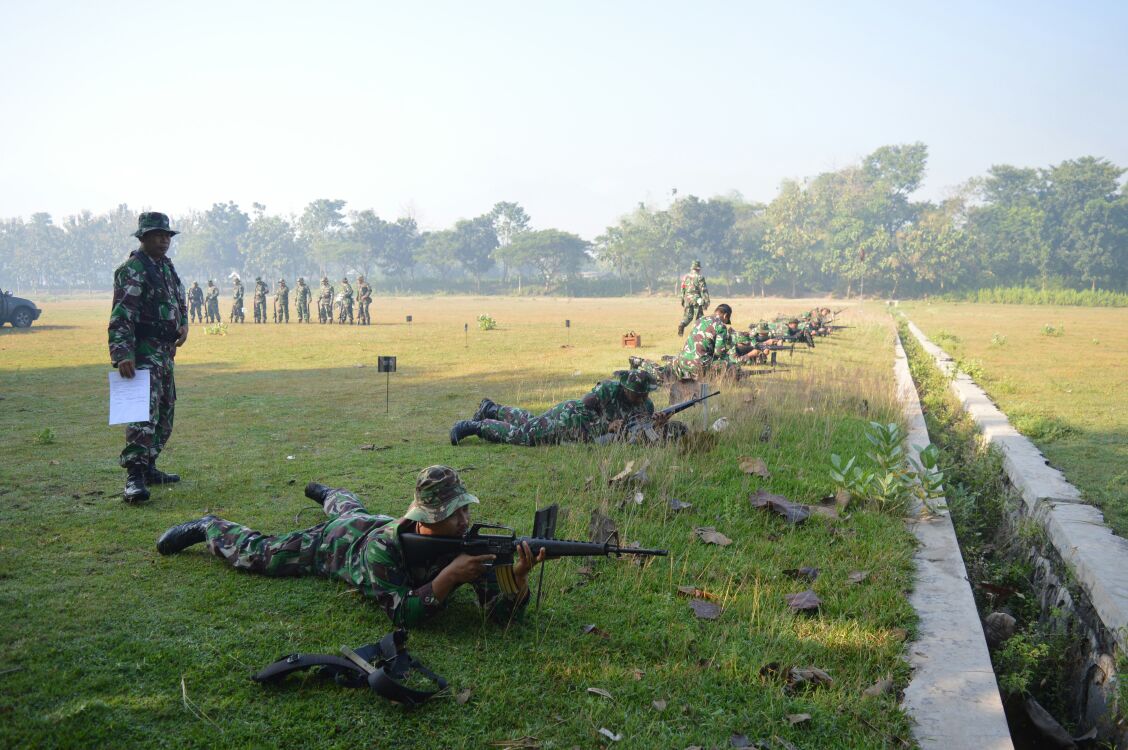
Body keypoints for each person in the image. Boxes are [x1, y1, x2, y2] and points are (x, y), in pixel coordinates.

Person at [155, 466, 546, 626]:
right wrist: (450, 577)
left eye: (464, 508)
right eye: (453, 512)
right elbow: (401, 612)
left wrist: (518, 577)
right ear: (426, 517)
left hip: (369, 519)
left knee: (349, 508)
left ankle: (329, 493)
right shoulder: (383, 550)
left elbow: (500, 614)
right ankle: (210, 527)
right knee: (262, 554)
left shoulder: (464, 541)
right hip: (338, 545)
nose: (464, 519)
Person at [108, 212, 188, 504]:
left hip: (165, 354)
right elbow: (121, 316)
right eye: (157, 235)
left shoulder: (166, 267)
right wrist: (121, 354)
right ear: (142, 237)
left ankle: (150, 465)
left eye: (167, 235)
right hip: (142, 353)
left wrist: (184, 326)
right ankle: (135, 476)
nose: (164, 240)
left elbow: (180, 301)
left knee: (165, 412)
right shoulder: (133, 269)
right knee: (141, 414)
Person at [451, 370, 665, 446]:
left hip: (582, 433)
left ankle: (491, 409)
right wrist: (607, 426)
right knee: (524, 436)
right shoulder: (607, 391)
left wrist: (656, 425)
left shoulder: (646, 405)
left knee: (530, 422)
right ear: (625, 389)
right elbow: (582, 410)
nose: (641, 398)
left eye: (645, 394)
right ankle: (476, 427)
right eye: (637, 394)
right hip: (569, 418)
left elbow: (638, 432)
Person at [672, 303, 742, 379]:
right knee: (730, 366)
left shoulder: (700, 320)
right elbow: (719, 353)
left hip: (683, 363)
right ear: (725, 315)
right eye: (726, 320)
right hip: (699, 366)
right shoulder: (721, 326)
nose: (725, 323)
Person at [677, 260, 710, 336]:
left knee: (688, 316)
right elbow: (704, 290)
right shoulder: (700, 277)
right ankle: (696, 334)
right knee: (699, 318)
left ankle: (682, 325)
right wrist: (706, 301)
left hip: (687, 299)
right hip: (696, 299)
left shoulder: (685, 277)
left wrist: (682, 299)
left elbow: (682, 289)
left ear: (692, 268)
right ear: (698, 269)